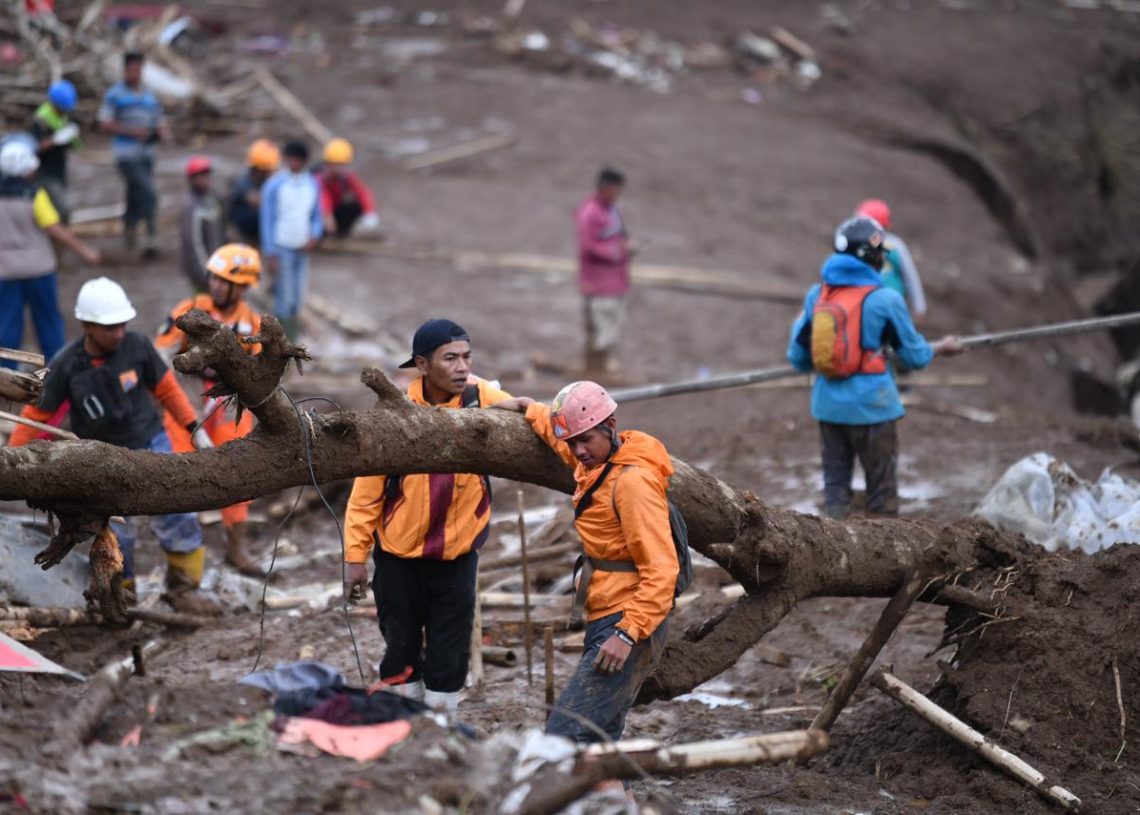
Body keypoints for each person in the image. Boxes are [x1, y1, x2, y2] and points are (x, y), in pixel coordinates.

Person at [7, 278, 219, 614]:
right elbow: (37, 415)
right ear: (87, 325)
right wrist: (12, 463)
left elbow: (166, 390)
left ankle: (183, 589)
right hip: (103, 461)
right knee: (120, 537)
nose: (118, 333)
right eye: (109, 327)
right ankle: (124, 598)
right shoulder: (67, 366)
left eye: (122, 325)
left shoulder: (137, 347)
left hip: (152, 443)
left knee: (179, 514)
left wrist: (195, 428)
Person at [494, 380, 678, 745]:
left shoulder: (632, 484)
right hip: (605, 609)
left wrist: (626, 634)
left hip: (626, 619)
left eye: (585, 440)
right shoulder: (598, 464)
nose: (578, 451)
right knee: (601, 736)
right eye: (572, 443)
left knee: (565, 734)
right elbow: (567, 440)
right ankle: (615, 800)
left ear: (610, 426)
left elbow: (662, 569)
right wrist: (533, 409)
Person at [343, 319, 511, 711]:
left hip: (456, 559)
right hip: (398, 559)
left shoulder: (480, 399)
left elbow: (527, 412)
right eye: (449, 358)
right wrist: (355, 558)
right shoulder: (396, 414)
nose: (461, 367)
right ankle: (406, 723)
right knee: (400, 647)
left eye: (467, 357)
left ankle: (440, 728)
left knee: (449, 653)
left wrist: (527, 410)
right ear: (422, 364)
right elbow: (365, 495)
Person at [787, 216, 964, 520]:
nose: (884, 256)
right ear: (868, 256)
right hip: (874, 407)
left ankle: (829, 555)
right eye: (881, 250)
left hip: (828, 408)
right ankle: (884, 559)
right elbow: (914, 357)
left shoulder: (817, 296)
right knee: (881, 496)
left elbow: (799, 358)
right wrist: (941, 347)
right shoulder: (886, 300)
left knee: (835, 491)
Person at [156, 243, 265, 577]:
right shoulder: (190, 310)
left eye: (223, 280)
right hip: (187, 396)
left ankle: (236, 547)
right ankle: (182, 559)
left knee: (241, 467)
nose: (215, 285)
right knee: (180, 468)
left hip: (230, 402)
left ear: (242, 286)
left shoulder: (251, 323)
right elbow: (158, 355)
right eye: (214, 278)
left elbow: (261, 371)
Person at [0, 139, 100, 369]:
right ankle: (57, 371)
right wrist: (86, 251)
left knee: (6, 328)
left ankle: (7, 374)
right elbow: (54, 228)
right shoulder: (35, 195)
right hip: (39, 270)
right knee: (49, 325)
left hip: (6, 272)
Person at [98, 51, 171, 257]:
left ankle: (130, 230)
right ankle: (151, 236)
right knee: (148, 192)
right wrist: (131, 132)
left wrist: (163, 133)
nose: (135, 74)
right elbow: (104, 123)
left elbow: (159, 119)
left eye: (138, 70)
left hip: (147, 153)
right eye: (131, 70)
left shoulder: (149, 94)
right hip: (126, 154)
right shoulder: (115, 95)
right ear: (124, 71)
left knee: (135, 193)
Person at [259, 139, 323, 340]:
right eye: (291, 159)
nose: (294, 163)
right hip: (282, 246)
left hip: (302, 247)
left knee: (297, 296)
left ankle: (292, 341)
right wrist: (270, 252)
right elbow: (267, 220)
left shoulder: (311, 184)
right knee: (284, 299)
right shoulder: (275, 185)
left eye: (298, 160)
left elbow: (316, 215)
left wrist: (314, 235)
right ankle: (281, 345)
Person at [576, 167, 636, 378]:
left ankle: (599, 369)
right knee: (600, 328)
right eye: (617, 189)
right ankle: (595, 372)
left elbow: (619, 235)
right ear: (607, 188)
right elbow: (589, 246)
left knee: (610, 326)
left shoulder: (612, 209)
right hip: (599, 283)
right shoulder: (591, 212)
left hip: (615, 280)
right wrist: (618, 251)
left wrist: (627, 247)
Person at [855, 198, 927, 323]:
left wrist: (919, 306)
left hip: (893, 305)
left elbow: (910, 275)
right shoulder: (857, 247)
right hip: (866, 306)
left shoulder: (895, 245)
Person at [29, 79, 81, 223]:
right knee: (62, 210)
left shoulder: (62, 118)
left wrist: (72, 137)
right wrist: (55, 139)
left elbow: (75, 147)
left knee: (57, 209)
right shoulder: (41, 120)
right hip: (44, 172)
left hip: (58, 170)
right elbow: (34, 147)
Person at [316, 138, 380, 238]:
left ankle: (341, 233)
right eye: (336, 164)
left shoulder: (345, 176)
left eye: (342, 165)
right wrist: (327, 216)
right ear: (328, 163)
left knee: (355, 206)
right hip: (318, 214)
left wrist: (370, 214)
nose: (339, 168)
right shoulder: (318, 178)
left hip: (335, 211)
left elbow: (362, 192)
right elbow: (323, 197)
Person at [178, 155, 224, 293]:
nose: (205, 179)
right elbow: (194, 243)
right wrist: (206, 273)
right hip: (201, 271)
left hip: (216, 265)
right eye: (201, 176)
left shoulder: (212, 198)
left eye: (206, 175)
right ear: (191, 179)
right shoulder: (191, 206)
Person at [227, 138, 280, 246]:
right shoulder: (242, 183)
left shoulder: (268, 181)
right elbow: (256, 200)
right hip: (244, 233)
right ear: (260, 169)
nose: (272, 172)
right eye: (269, 170)